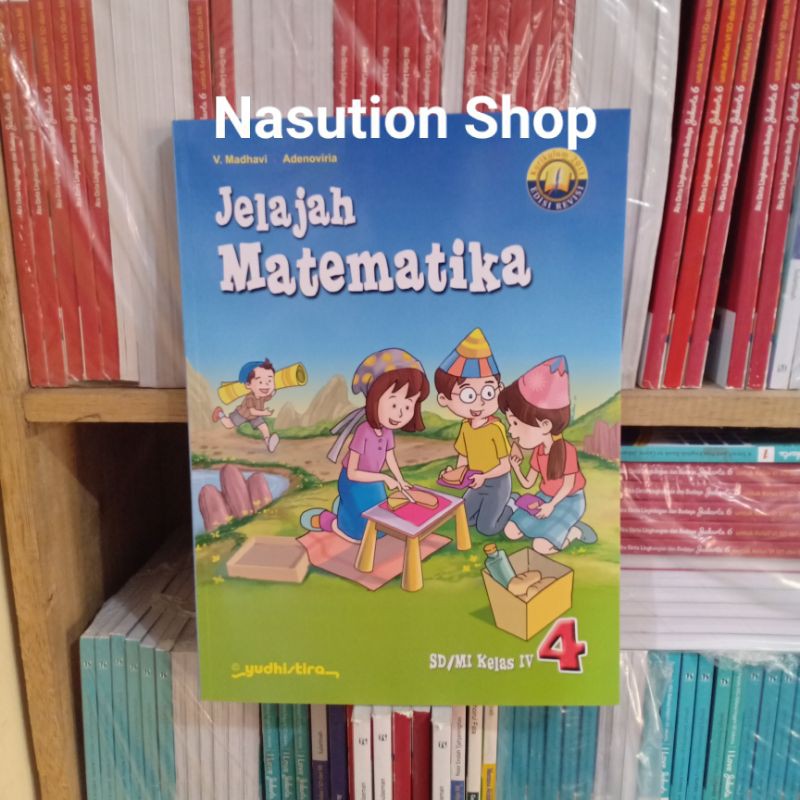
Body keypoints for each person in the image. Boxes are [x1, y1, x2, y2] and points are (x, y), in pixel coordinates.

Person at [301, 348, 429, 542]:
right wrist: (384, 478)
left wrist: (400, 480)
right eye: (394, 405)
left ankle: (345, 508)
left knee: (380, 529)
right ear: (374, 399)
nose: (400, 414)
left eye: (408, 406)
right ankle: (327, 520)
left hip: (372, 482)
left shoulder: (387, 431)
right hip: (354, 482)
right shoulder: (364, 431)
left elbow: (389, 456)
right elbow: (353, 473)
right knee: (356, 535)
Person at [498, 355, 597, 553]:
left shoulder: (567, 450)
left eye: (515, 423)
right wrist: (516, 467)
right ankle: (548, 525)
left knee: (541, 546)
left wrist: (551, 506)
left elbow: (567, 486)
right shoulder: (538, 451)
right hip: (544, 497)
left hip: (569, 500)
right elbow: (528, 483)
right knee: (511, 531)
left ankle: (574, 532)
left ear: (545, 425)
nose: (511, 431)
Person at [435, 327, 513, 537]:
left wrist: (484, 476)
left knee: (486, 528)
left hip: (497, 482)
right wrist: (454, 475)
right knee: (463, 518)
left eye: (487, 392)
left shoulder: (496, 428)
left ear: (499, 390)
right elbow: (464, 457)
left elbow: (505, 465)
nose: (479, 403)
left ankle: (510, 508)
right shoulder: (465, 427)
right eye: (468, 395)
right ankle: (491, 509)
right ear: (444, 399)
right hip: (476, 482)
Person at [212, 359, 280, 452]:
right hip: (242, 414)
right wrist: (264, 413)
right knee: (229, 424)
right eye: (260, 382)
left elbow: (267, 398)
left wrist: (272, 393)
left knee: (264, 427)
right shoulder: (250, 398)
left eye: (269, 381)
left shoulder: (262, 395)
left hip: (255, 416)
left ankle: (268, 442)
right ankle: (220, 414)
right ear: (248, 384)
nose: (266, 385)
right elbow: (252, 411)